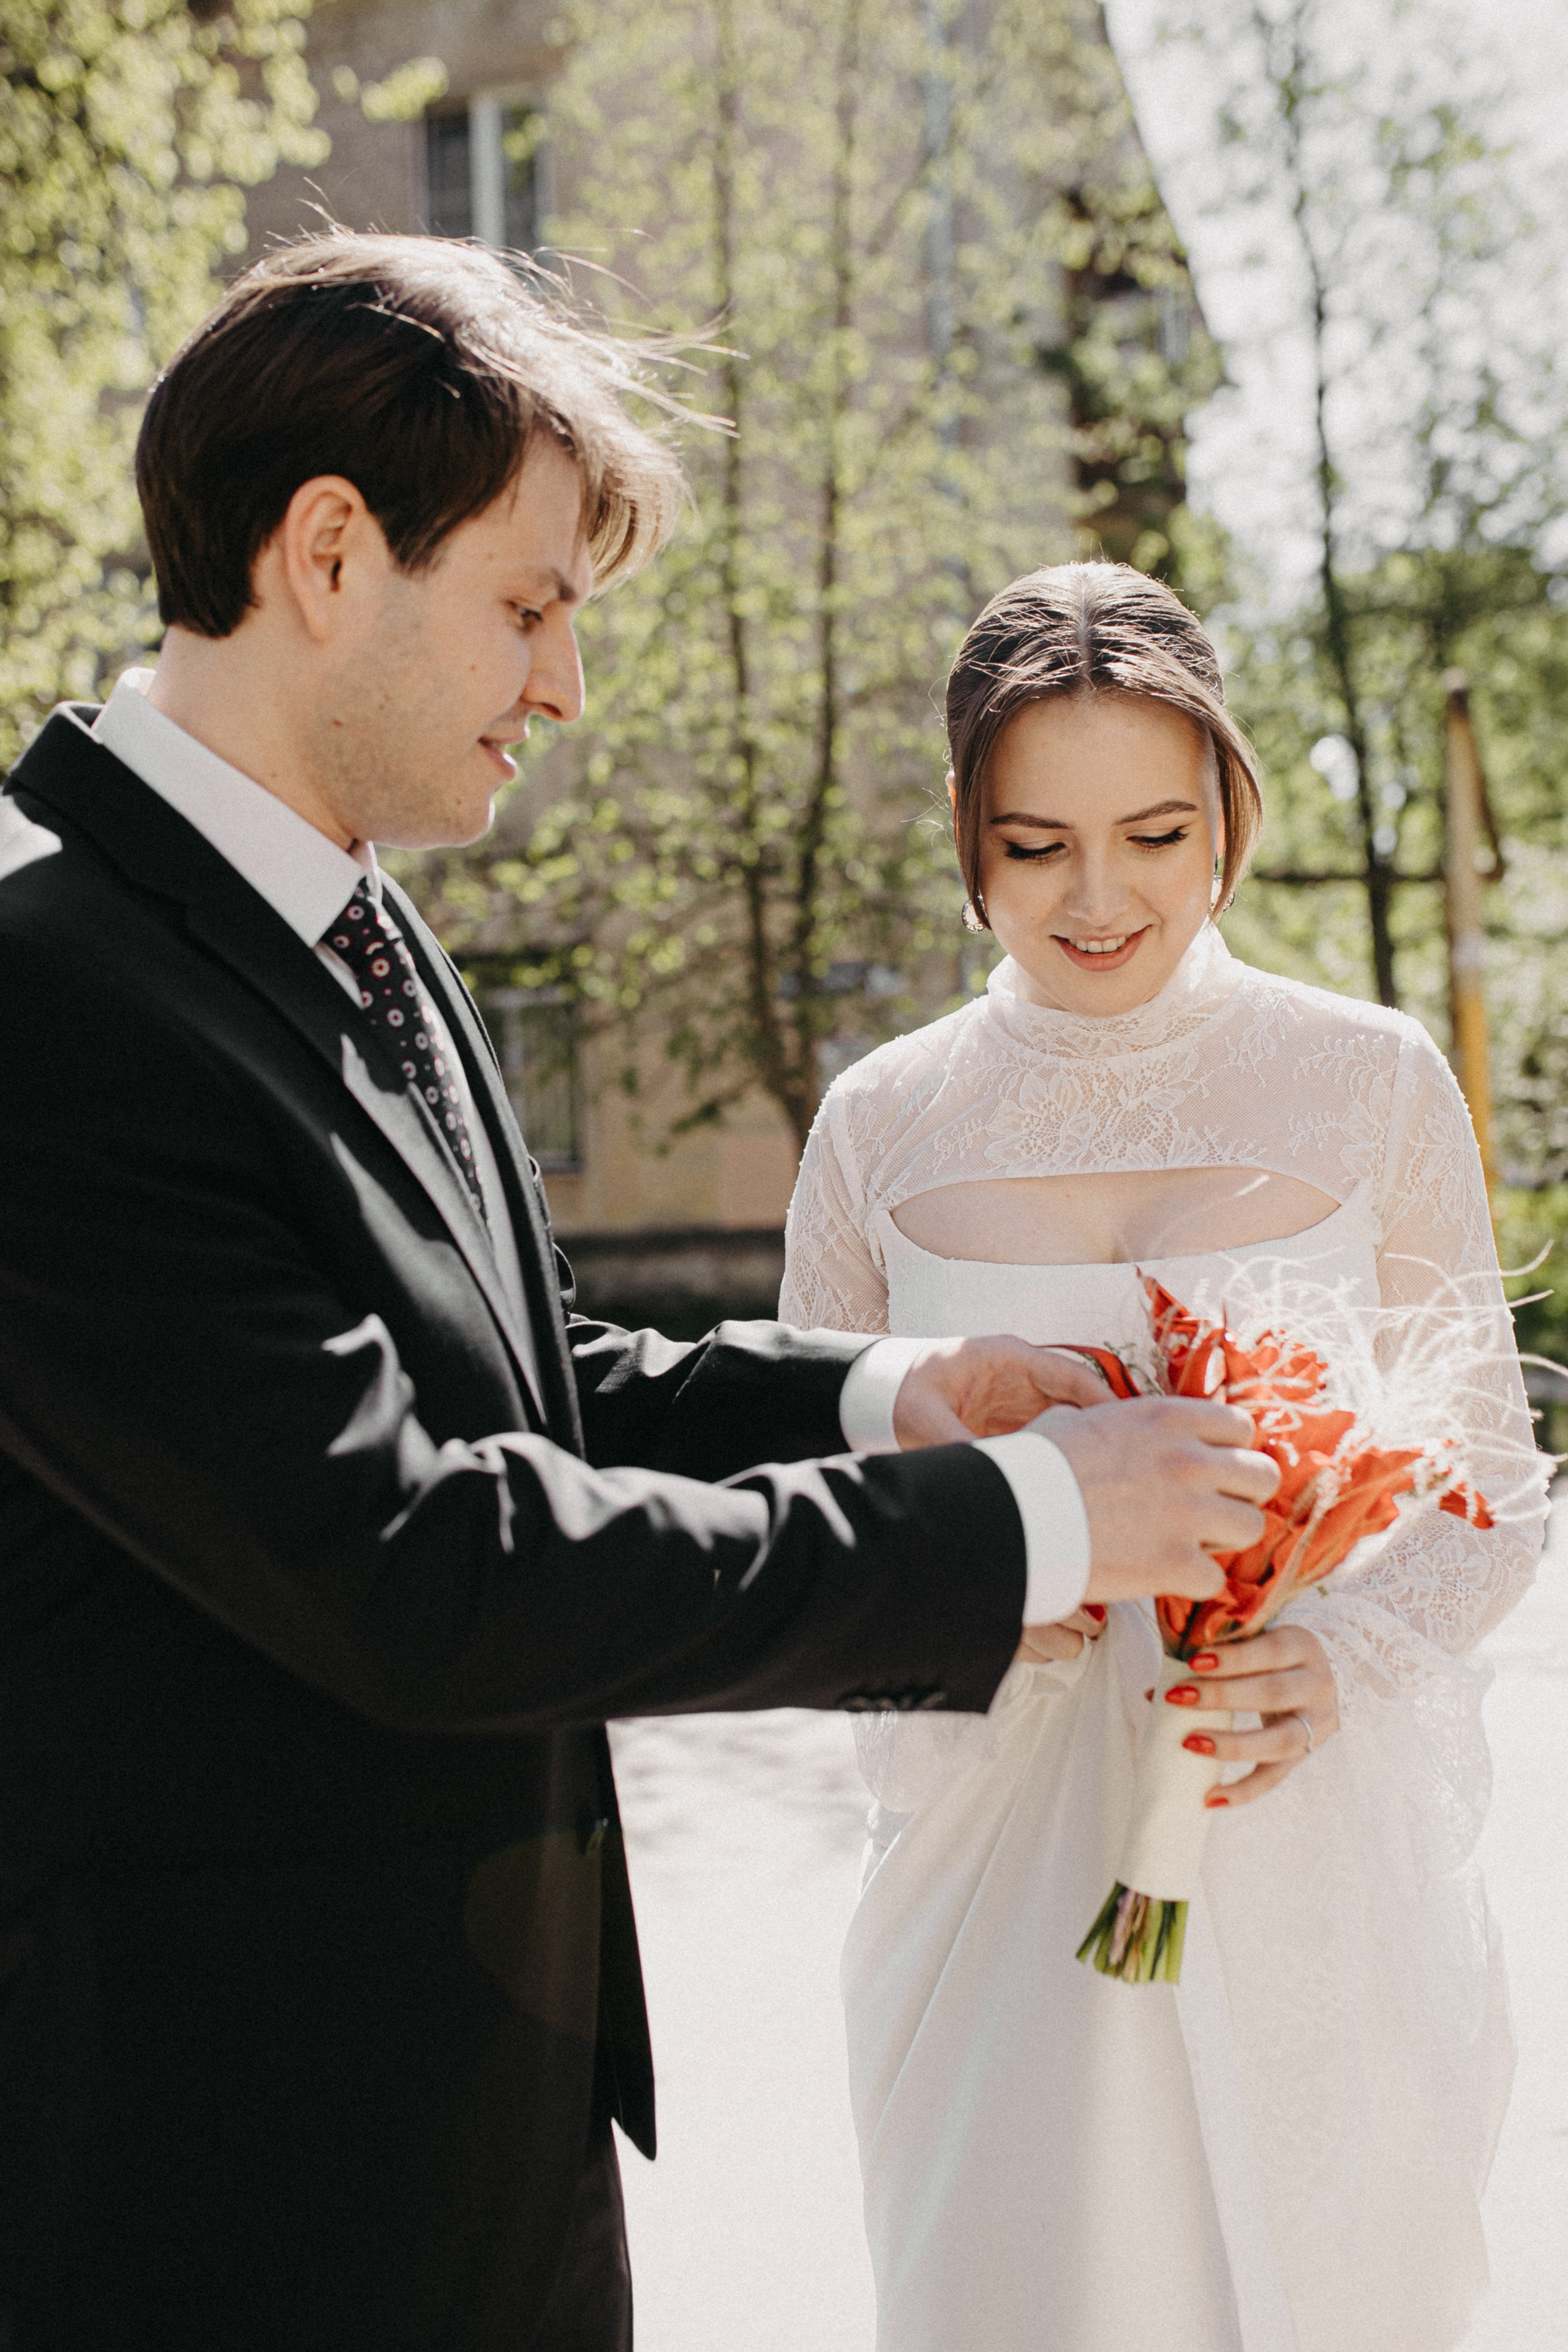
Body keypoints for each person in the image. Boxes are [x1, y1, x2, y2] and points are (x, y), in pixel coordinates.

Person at [0, 241, 1280, 2352]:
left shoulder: (360, 923)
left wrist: (892, 1397)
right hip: (215, 2181)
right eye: (530, 606)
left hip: (480, 2147)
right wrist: (1037, 1523)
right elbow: (414, 1561)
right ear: (327, 554)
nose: (568, 684)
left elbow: (530, 1377)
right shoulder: (50, 993)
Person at [782, 562, 1549, 2352]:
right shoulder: (880, 1125)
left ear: (1229, 812)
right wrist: (954, 1595)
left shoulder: (1369, 1079)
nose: (1100, 897)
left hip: (1305, 1854)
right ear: (966, 831)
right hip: (994, 1853)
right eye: (1035, 844)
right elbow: (808, 1506)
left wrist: (1340, 1653)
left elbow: (1494, 1487)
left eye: (1154, 833)